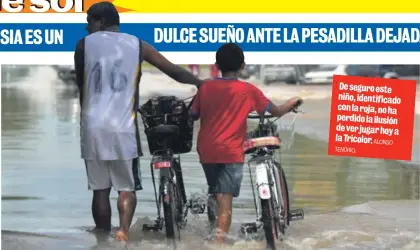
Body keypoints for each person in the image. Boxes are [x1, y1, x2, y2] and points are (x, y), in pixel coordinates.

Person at [73, 1, 201, 242]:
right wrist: (202, 84)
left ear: (101, 21)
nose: (86, 27)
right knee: (126, 186)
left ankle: (101, 239)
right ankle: (122, 232)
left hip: (92, 127)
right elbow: (174, 71)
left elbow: (82, 85)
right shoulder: (138, 45)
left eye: (89, 21)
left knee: (100, 190)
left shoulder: (83, 45)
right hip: (123, 127)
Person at [191, 43, 302, 244]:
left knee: (213, 190)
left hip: (206, 150)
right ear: (242, 66)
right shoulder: (248, 90)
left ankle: (210, 229)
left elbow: (193, 114)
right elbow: (275, 111)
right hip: (231, 152)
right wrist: (291, 103)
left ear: (216, 65)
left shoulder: (205, 87)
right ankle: (218, 244)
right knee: (225, 203)